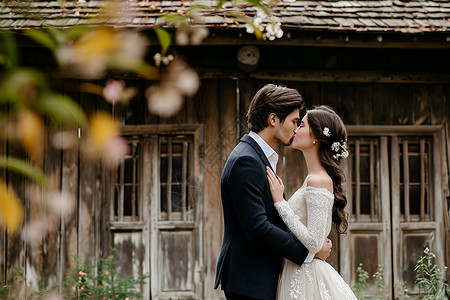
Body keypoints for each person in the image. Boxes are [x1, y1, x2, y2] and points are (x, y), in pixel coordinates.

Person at [214, 84, 332, 300]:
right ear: (273, 119)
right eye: (294, 121)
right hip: (249, 279)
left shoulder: (257, 156)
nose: (296, 128)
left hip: (258, 278)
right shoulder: (246, 160)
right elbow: (257, 227)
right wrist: (308, 253)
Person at [266, 105, 357, 299]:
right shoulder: (312, 179)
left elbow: (314, 242)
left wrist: (280, 202)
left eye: (302, 125)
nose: (296, 129)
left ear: (316, 136)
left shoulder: (319, 180)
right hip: (298, 270)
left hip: (307, 275)